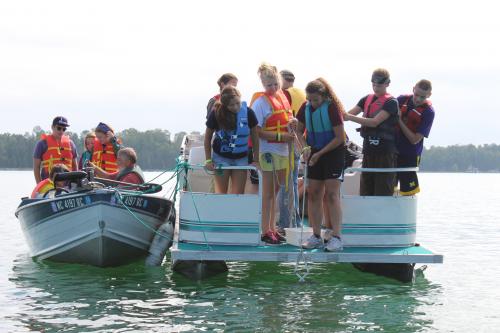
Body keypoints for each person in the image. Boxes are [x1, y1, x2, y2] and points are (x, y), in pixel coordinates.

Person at [295, 78, 346, 251]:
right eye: (309, 100)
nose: (312, 103)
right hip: (314, 153)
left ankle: (336, 237)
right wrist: (305, 148)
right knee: (313, 193)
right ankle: (316, 235)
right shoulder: (305, 107)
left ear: (323, 96)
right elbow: (298, 131)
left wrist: (320, 154)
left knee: (331, 195)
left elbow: (340, 137)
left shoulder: (332, 108)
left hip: (333, 153)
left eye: (316, 100)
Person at [251, 62, 296, 244]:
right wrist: (280, 135)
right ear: (263, 84)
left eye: (276, 84)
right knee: (268, 192)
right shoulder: (260, 103)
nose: (273, 88)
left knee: (277, 190)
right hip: (268, 151)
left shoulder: (283, 98)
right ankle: (265, 230)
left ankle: (273, 228)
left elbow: (288, 118)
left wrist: (292, 123)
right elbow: (257, 131)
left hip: (284, 151)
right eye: (269, 85)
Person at [343, 68, 399, 196]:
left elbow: (374, 122)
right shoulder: (366, 99)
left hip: (385, 153)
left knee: (382, 189)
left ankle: (383, 214)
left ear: (387, 84)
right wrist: (339, 113)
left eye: (379, 85)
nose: (376, 88)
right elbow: (347, 114)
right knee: (366, 188)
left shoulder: (391, 103)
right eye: (373, 84)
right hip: (368, 150)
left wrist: (349, 117)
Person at [204, 86, 259, 194]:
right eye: (231, 105)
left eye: (237, 103)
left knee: (238, 195)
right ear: (225, 105)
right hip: (221, 158)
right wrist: (208, 160)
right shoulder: (216, 113)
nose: (235, 107)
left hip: (241, 158)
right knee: (221, 194)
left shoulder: (249, 113)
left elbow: (255, 138)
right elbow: (207, 138)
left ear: (240, 99)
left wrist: (256, 160)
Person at [277, 70, 307, 231]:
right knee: (293, 183)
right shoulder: (301, 94)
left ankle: (284, 223)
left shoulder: (284, 95)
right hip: (299, 143)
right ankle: (295, 222)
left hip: (288, 143)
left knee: (285, 184)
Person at [396, 79, 435, 195]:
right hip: (392, 152)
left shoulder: (429, 112)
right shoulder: (401, 99)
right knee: (388, 188)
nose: (418, 99)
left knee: (408, 192)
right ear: (413, 89)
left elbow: (414, 140)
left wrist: (399, 120)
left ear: (429, 95)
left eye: (422, 97)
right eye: (416, 94)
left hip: (410, 155)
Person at [33, 116, 78, 184]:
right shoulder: (42, 144)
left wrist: (76, 183)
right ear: (52, 127)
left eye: (64, 129)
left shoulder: (71, 144)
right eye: (59, 128)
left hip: (68, 186)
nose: (61, 131)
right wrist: (39, 185)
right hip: (49, 185)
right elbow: (36, 167)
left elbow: (75, 166)